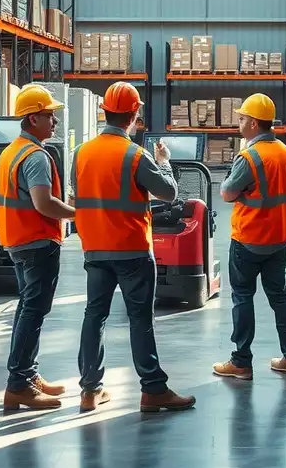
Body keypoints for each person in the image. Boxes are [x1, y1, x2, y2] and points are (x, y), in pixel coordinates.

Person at [72, 81, 196, 415]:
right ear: (133, 115)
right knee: (140, 320)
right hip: (132, 251)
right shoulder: (135, 155)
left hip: (94, 249)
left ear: (105, 113)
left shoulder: (81, 153)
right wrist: (165, 163)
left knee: (93, 316)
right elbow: (168, 193)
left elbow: (80, 192)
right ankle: (153, 390)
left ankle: (89, 390)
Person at [213, 93, 286, 382]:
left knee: (242, 297)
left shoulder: (250, 157)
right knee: (279, 295)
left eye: (241, 119)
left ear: (253, 123)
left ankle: (241, 362)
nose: (239, 123)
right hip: (279, 239)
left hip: (249, 240)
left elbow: (227, 193)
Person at [0, 84, 76, 414]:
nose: (54, 121)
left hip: (17, 240)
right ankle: (19, 385)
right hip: (36, 242)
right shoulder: (36, 157)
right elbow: (44, 204)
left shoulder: (12, 150)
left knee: (27, 308)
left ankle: (27, 374)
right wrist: (80, 214)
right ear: (32, 119)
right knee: (34, 310)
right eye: (49, 115)